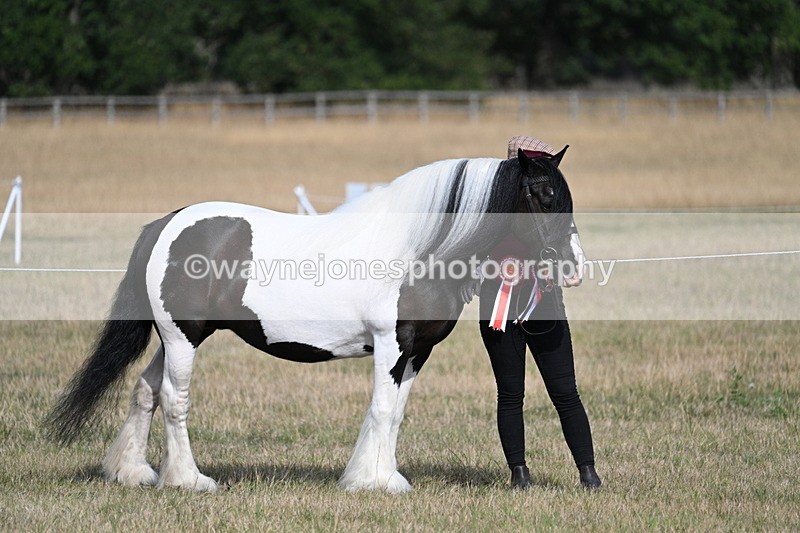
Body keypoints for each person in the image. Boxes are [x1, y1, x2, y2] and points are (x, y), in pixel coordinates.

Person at [477, 136, 601, 490]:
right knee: (510, 393)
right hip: (497, 307)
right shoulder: (491, 206)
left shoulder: (555, 213)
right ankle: (519, 472)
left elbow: (574, 258)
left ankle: (588, 472)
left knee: (565, 391)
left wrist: (572, 267)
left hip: (544, 304)